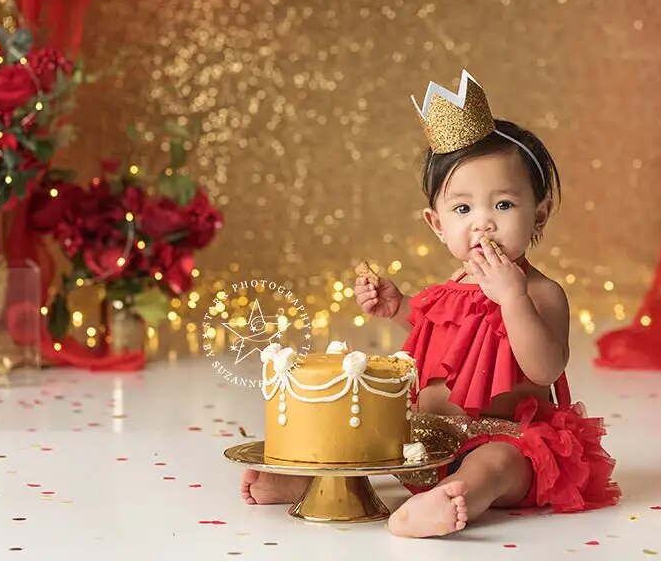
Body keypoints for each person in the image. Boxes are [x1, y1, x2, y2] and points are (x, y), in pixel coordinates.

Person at [241, 70, 620, 536]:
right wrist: (398, 306)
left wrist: (512, 298)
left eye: (503, 205)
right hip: (425, 438)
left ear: (538, 212)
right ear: (437, 224)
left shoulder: (541, 293)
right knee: (369, 433)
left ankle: (459, 495)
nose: (483, 224)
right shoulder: (452, 284)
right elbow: (440, 334)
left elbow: (544, 368)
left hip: (505, 439)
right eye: (463, 209)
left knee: (498, 464)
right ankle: (324, 481)